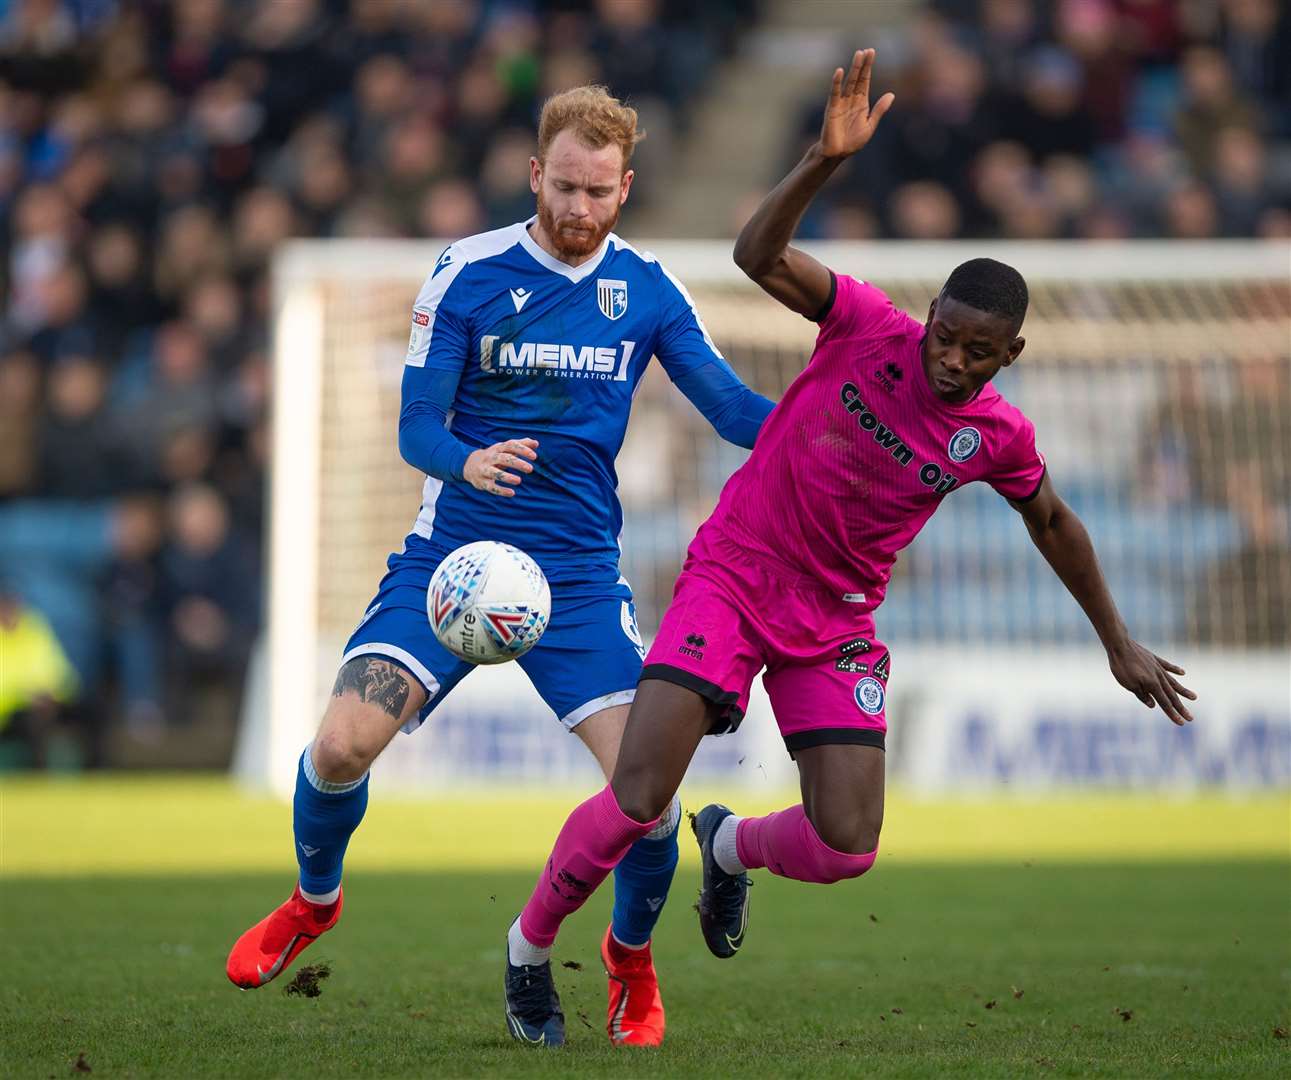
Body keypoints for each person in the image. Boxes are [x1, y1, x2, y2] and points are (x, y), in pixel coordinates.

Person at [505, 49, 1198, 1035]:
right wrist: (822, 164)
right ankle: (529, 951)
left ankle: (732, 849)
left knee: (845, 844)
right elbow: (756, 256)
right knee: (638, 790)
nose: (952, 361)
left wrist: (1115, 638)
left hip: (833, 620)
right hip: (733, 577)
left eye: (977, 352)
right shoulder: (866, 327)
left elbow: (1053, 523)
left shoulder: (994, 435)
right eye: (945, 336)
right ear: (929, 318)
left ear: (1011, 356)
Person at [225, 86, 775, 1049]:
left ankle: (629, 962)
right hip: (454, 562)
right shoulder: (467, 273)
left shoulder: (646, 290)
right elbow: (414, 428)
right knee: (342, 744)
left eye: (598, 192)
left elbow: (732, 411)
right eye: (562, 186)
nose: (577, 209)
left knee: (647, 803)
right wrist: (466, 461)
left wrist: (844, 432)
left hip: (574, 578)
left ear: (625, 188)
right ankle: (316, 901)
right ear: (534, 174)